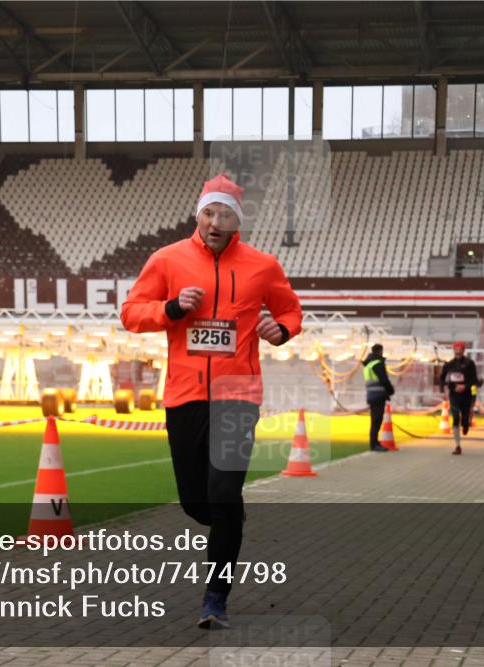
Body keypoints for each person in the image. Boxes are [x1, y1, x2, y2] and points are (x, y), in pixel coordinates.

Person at [121, 173, 302, 629]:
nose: (215, 222)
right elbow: (130, 313)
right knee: (196, 503)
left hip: (237, 393)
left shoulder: (262, 265)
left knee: (222, 493)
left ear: (236, 221)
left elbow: (289, 310)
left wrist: (280, 331)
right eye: (208, 212)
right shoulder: (167, 260)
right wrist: (172, 308)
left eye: (224, 214)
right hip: (183, 394)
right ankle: (229, 520)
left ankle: (214, 599)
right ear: (198, 214)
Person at [439, 342, 480, 455]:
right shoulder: (449, 364)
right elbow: (442, 378)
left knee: (465, 418)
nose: (458, 350)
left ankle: (466, 424)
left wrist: (465, 386)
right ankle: (458, 445)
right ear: (453, 350)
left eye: (460, 348)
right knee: (456, 417)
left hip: (466, 395)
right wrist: (443, 391)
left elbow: (474, 380)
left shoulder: (469, 363)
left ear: (463, 350)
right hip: (454, 395)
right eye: (456, 348)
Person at [362, 343, 395, 452]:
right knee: (377, 420)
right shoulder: (378, 364)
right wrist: (390, 390)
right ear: (380, 351)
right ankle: (374, 444)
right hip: (379, 395)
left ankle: (374, 442)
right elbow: (384, 379)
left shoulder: (368, 364)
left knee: (374, 420)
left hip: (371, 394)